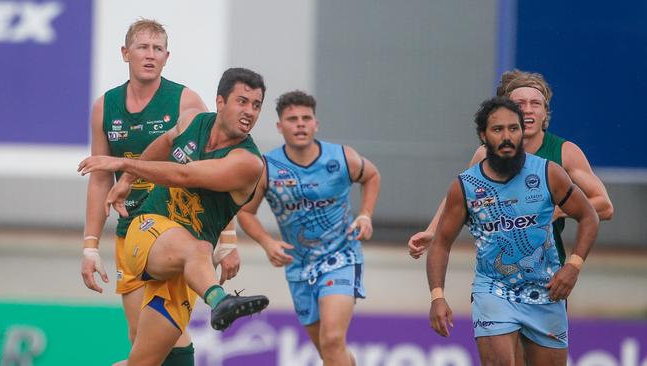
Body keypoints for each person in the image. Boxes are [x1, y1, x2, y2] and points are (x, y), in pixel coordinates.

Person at [78, 67, 269, 366]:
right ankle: (220, 300)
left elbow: (184, 173)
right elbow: (165, 143)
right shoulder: (191, 119)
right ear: (220, 102)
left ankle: (218, 301)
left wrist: (119, 163)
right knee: (200, 248)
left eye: (256, 105)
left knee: (147, 362)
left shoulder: (247, 162)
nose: (249, 111)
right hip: (147, 229)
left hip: (184, 268)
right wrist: (126, 180)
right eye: (242, 101)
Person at [426, 96, 599, 365]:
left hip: (546, 292)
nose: (507, 137)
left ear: (521, 132)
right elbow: (440, 244)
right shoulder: (466, 186)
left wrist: (573, 266)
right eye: (498, 130)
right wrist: (438, 297)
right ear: (483, 136)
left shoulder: (547, 173)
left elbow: (589, 216)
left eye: (513, 128)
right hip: (493, 290)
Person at [409, 69, 613, 265]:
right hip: (496, 272)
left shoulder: (564, 152)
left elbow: (604, 205)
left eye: (535, 103)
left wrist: (559, 210)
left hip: (546, 269)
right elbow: (459, 197)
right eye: (520, 104)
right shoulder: (486, 153)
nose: (528, 109)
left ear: (545, 112)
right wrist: (433, 231)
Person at [237, 90, 381, 366]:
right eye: (292, 119)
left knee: (332, 340)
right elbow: (245, 212)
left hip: (341, 257)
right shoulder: (267, 167)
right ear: (280, 127)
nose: (300, 124)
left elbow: (372, 175)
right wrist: (268, 243)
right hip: (298, 266)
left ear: (316, 123)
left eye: (306, 118)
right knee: (328, 351)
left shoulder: (341, 157)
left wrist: (365, 215)